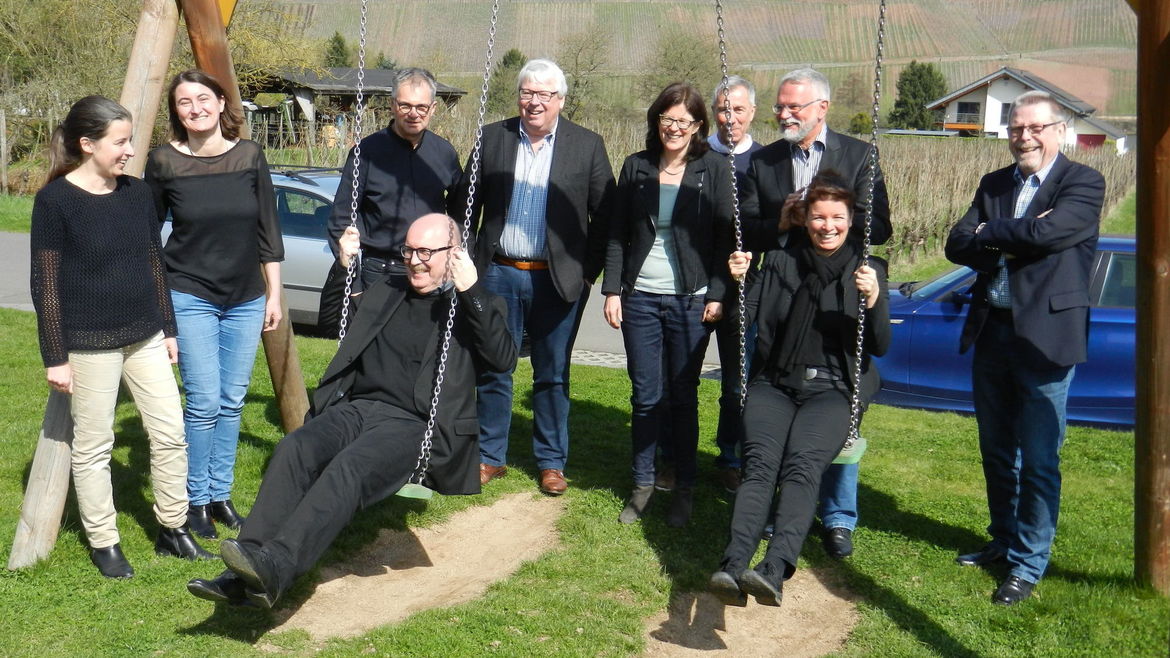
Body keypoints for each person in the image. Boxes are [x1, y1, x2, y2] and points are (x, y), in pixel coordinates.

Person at [186, 213, 516, 608]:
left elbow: (502, 360)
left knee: (350, 468)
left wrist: (472, 290)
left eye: (426, 252)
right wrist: (344, 267)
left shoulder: (472, 303)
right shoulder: (390, 288)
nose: (414, 260)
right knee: (296, 448)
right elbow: (331, 320)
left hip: (414, 425)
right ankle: (243, 565)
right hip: (358, 408)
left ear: (455, 255)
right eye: (409, 250)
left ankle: (277, 564)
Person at [30, 96, 213, 579]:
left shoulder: (136, 195)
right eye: (120, 141)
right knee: (94, 446)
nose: (129, 150)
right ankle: (104, 541)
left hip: (146, 334)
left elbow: (155, 262)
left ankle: (173, 529)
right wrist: (56, 357)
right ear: (87, 145)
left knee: (170, 432)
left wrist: (169, 329)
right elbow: (44, 283)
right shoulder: (55, 201)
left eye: (130, 139)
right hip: (88, 343)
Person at [944, 91, 1104, 606]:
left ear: (1059, 130)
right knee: (996, 450)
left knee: (1038, 457)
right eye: (1016, 128)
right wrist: (1012, 233)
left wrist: (993, 232)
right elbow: (956, 242)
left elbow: (1052, 233)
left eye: (1035, 127)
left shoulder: (1082, 182)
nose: (1024, 137)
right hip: (994, 330)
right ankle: (1003, 538)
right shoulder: (994, 183)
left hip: (1046, 339)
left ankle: (1028, 563)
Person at [708, 173, 889, 607]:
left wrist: (874, 300)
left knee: (802, 467)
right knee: (760, 465)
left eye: (837, 218)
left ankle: (775, 567)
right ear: (805, 219)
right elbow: (739, 325)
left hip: (833, 389)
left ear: (851, 221)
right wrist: (740, 283)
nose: (828, 226)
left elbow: (878, 345)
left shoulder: (866, 269)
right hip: (776, 383)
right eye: (819, 216)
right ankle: (733, 564)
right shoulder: (779, 263)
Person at [739, 68, 893, 560]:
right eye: (780, 106)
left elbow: (882, 226)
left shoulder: (858, 155)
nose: (784, 114)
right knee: (776, 407)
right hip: (784, 291)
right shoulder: (763, 160)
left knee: (839, 404)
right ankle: (771, 511)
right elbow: (745, 229)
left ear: (821, 108)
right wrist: (782, 222)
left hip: (839, 292)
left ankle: (838, 516)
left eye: (794, 108)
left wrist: (832, 219)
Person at [453, 58, 615, 495]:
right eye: (527, 92)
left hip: (558, 281)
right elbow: (466, 209)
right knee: (494, 368)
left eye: (544, 94)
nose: (534, 101)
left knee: (553, 374)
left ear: (561, 100)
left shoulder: (587, 146)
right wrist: (467, 264)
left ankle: (551, 462)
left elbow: (606, 217)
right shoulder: (493, 138)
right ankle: (490, 456)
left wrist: (586, 274)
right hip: (498, 274)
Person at [145, 69, 284, 540]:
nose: (195, 108)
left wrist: (275, 294)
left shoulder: (249, 156)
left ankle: (220, 495)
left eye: (203, 98)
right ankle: (193, 500)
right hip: (190, 293)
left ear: (222, 103)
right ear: (176, 112)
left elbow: (269, 229)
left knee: (231, 399)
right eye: (185, 102)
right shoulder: (163, 162)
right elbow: (147, 235)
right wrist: (160, 311)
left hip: (246, 297)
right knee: (203, 401)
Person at [602, 82, 734, 527]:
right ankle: (642, 484)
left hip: (691, 300)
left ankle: (686, 486)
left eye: (685, 121)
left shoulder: (714, 169)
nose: (675, 128)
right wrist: (613, 290)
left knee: (683, 397)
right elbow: (618, 233)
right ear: (656, 121)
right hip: (640, 298)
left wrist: (717, 294)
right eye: (667, 119)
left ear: (699, 126)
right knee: (645, 397)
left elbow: (722, 239)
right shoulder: (636, 167)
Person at [324, 67, 462, 313]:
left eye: (421, 107)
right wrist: (354, 284)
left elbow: (460, 217)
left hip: (431, 272)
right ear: (392, 105)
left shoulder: (444, 153)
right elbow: (341, 219)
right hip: (379, 272)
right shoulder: (366, 153)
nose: (413, 114)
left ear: (433, 109)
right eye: (405, 106)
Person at [706, 75, 765, 494]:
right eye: (724, 110)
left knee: (737, 382)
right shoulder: (694, 154)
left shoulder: (765, 162)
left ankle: (731, 456)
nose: (731, 118)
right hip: (692, 286)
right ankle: (672, 455)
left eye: (739, 110)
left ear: (752, 113)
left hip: (743, 290)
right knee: (678, 380)